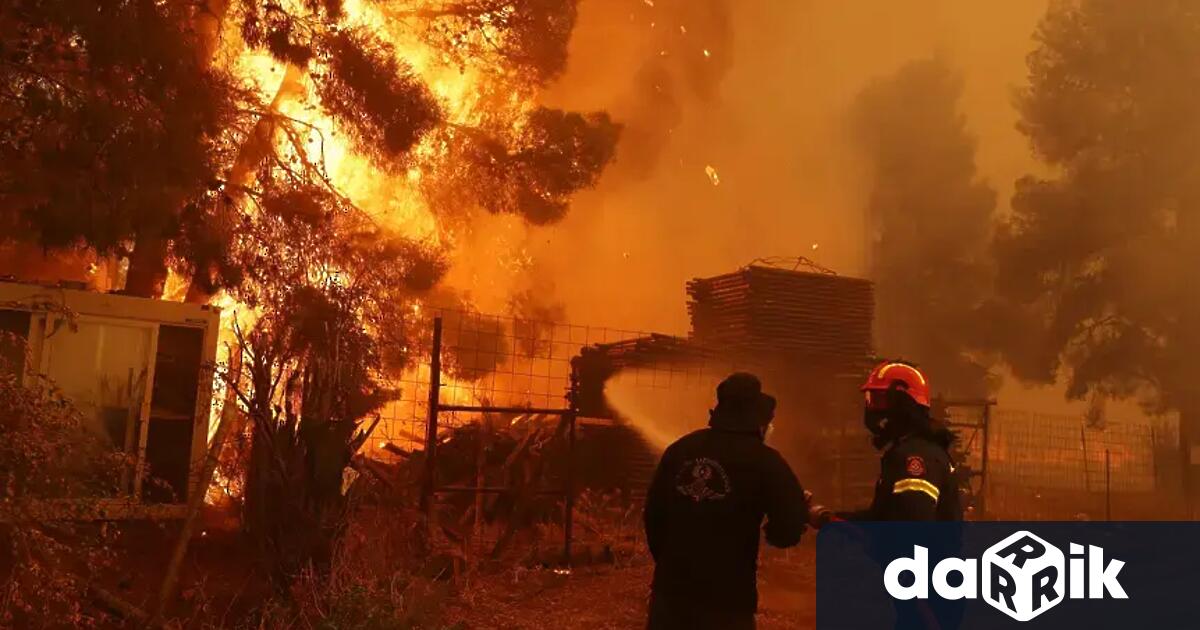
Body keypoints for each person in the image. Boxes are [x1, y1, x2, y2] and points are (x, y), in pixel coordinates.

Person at [643, 372, 808, 630]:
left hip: (670, 597)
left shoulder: (680, 450)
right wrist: (774, 531)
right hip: (728, 601)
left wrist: (670, 564)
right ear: (757, 419)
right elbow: (788, 529)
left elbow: (653, 516)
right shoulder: (766, 461)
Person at [810, 360, 963, 630]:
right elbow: (885, 518)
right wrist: (829, 519)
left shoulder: (916, 458)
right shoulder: (911, 451)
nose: (872, 409)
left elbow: (913, 527)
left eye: (879, 399)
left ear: (902, 404)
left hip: (927, 599)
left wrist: (879, 545)